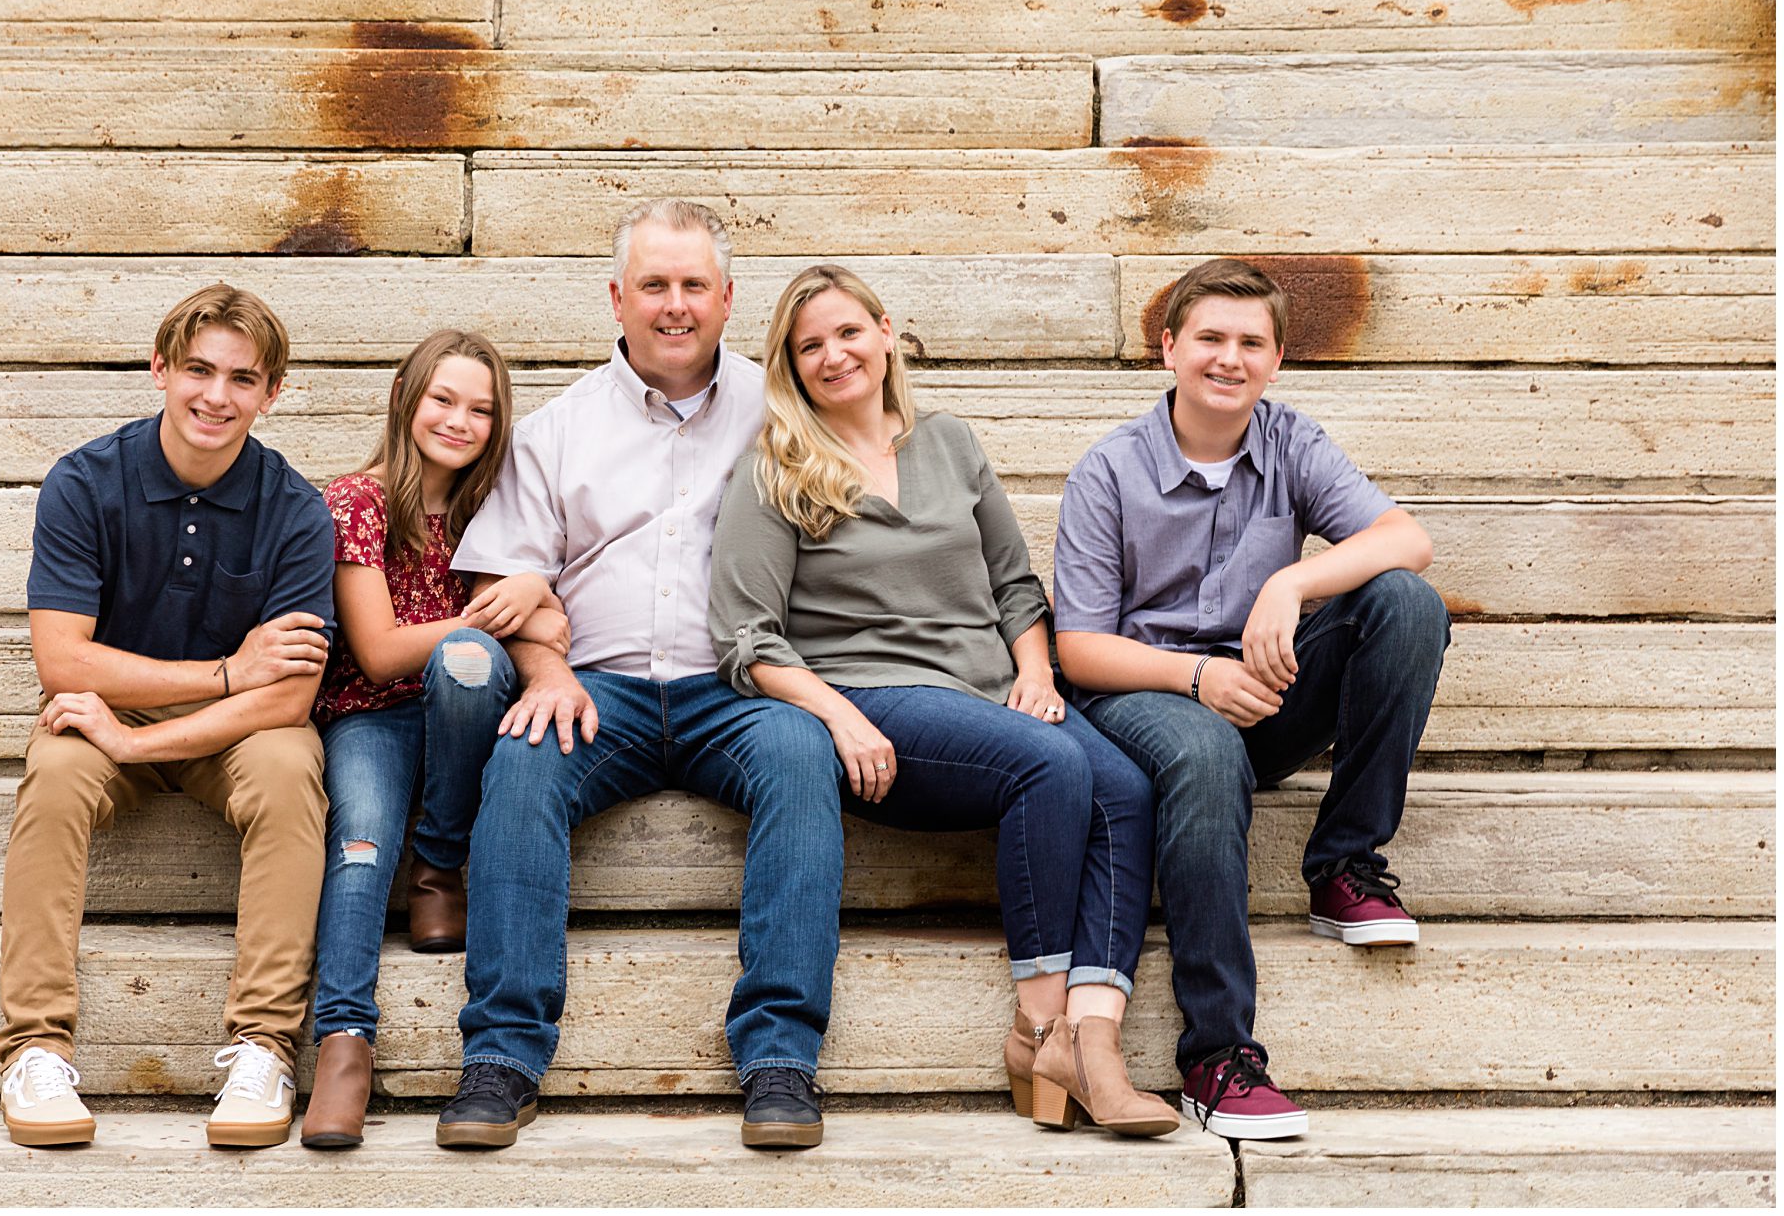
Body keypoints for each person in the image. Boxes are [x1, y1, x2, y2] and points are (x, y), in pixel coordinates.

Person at [710, 264, 1179, 1138]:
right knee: (1050, 763)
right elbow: (747, 638)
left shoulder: (950, 441)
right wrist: (840, 716)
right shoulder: (774, 469)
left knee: (1127, 789)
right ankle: (1040, 1031)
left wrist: (1035, 673)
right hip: (876, 698)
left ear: (887, 332)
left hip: (994, 688)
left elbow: (1013, 585)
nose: (834, 354)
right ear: (789, 365)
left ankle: (1096, 1039)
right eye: (809, 345)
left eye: (849, 332)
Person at [435, 199, 846, 1151]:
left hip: (736, 692)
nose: (674, 305)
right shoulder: (555, 429)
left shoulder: (780, 407)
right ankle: (502, 1055)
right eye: (653, 285)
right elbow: (509, 581)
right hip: (598, 688)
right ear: (616, 298)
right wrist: (544, 670)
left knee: (800, 757)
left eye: (693, 285)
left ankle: (781, 1056)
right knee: (523, 762)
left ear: (728, 298)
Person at [1053, 257, 1450, 1141]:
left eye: (1250, 343)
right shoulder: (1108, 471)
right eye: (1209, 339)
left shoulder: (1289, 442)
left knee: (1403, 601)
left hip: (1263, 691)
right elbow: (1079, 648)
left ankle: (1343, 868)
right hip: (1146, 698)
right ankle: (1216, 1056)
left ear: (1275, 361)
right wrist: (1196, 678)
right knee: (1202, 747)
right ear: (1168, 349)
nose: (1228, 359)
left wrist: (1292, 584)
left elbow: (1407, 539)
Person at [0, 283, 335, 1148]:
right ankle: (33, 1046)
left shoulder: (297, 511)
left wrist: (143, 729)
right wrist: (224, 674)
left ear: (272, 392)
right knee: (61, 768)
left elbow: (290, 696)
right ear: (158, 370)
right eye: (197, 369)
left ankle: (263, 1046)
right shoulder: (84, 483)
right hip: (127, 706)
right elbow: (62, 660)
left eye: (242, 379)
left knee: (293, 769)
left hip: (241, 730)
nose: (216, 396)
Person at [299, 329, 570, 1149]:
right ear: (405, 398)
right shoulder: (356, 503)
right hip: (371, 711)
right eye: (443, 399)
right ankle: (343, 1041)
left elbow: (555, 624)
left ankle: (441, 864)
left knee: (464, 666)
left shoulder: (500, 510)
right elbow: (378, 650)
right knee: (357, 844)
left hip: (467, 712)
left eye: (482, 409)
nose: (460, 420)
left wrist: (533, 589)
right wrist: (491, 616)